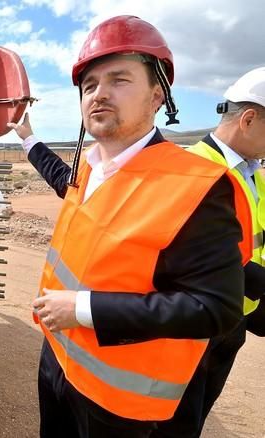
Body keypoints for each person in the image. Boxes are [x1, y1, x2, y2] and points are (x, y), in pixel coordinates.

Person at [6, 15, 252, 437]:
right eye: (90, 85)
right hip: (59, 367)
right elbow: (59, 180)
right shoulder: (89, 168)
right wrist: (28, 138)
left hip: (122, 406)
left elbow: (216, 307)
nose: (99, 93)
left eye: (119, 80)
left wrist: (82, 310)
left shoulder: (196, 185)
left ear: (158, 95)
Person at [154, 67, 265, 437]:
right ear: (249, 119)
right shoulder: (193, 170)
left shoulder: (254, 172)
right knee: (175, 422)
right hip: (195, 326)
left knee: (198, 415)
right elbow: (194, 259)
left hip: (236, 321)